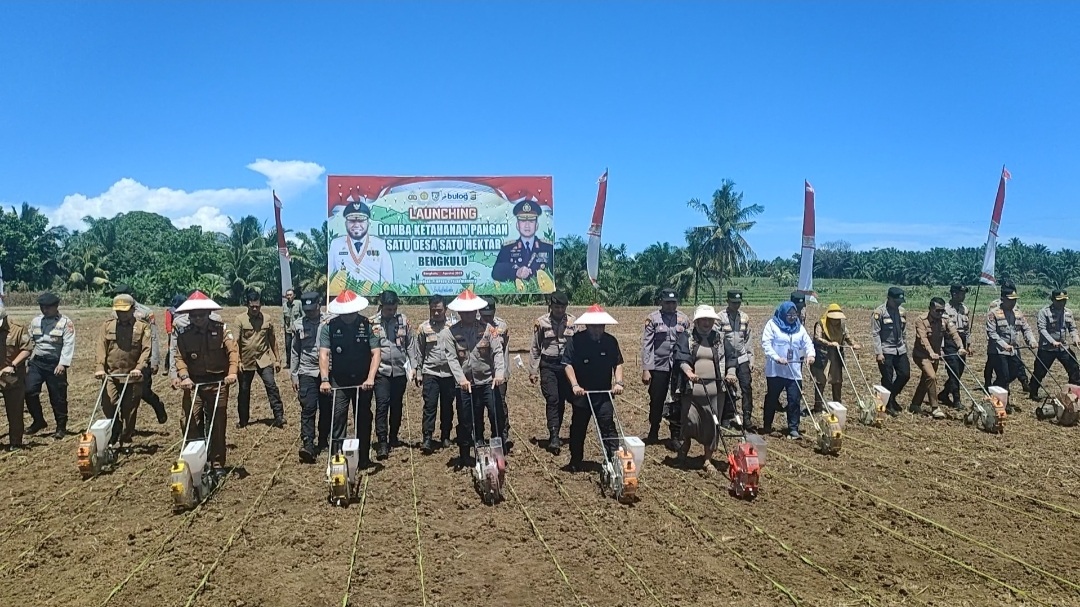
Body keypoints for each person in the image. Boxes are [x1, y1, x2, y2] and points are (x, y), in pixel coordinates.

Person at [172, 291, 239, 478]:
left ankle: (217, 463)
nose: (198, 319)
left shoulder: (221, 330)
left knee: (217, 423)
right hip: (194, 384)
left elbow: (233, 352)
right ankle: (196, 459)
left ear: (209, 314)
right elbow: (179, 357)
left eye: (201, 315)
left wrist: (232, 373)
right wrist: (184, 376)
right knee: (189, 421)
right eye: (194, 316)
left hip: (218, 382)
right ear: (189, 317)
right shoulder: (184, 335)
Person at [442, 289, 505, 470]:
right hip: (465, 385)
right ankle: (465, 455)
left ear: (476, 311)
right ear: (459, 313)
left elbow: (497, 353)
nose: (468, 314)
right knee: (466, 420)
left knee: (495, 414)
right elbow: (452, 359)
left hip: (487, 381)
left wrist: (499, 374)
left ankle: (498, 452)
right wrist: (461, 379)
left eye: (471, 311)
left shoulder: (488, 330)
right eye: (464, 311)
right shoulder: (450, 333)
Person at [319, 290, 381, 466]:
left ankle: (363, 458)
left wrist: (370, 378)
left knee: (363, 418)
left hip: (363, 381)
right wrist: (324, 379)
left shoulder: (368, 326)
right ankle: (336, 458)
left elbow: (376, 353)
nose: (347, 317)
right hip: (339, 379)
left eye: (350, 313)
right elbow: (323, 354)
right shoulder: (329, 327)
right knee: (338, 418)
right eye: (344, 314)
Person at [672, 305, 738, 472]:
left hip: (715, 392)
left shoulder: (720, 339)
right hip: (692, 391)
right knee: (688, 422)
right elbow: (681, 357)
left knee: (712, 426)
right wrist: (688, 372)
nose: (706, 323)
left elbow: (731, 358)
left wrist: (730, 373)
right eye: (703, 320)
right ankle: (683, 453)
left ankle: (707, 460)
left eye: (709, 320)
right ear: (697, 321)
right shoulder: (687, 337)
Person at [562, 304, 625, 473]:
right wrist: (575, 385)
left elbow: (618, 363)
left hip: (603, 393)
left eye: (601, 326)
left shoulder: (610, 342)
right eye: (594, 326)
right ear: (587, 326)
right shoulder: (576, 341)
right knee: (578, 427)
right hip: (583, 394)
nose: (598, 329)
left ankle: (614, 459)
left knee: (608, 426)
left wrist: (619, 383)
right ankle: (576, 460)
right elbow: (567, 364)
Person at [94, 294, 152, 448]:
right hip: (111, 374)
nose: (121, 314)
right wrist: (100, 367)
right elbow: (101, 348)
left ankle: (126, 437)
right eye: (118, 311)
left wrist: (139, 368)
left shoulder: (142, 327)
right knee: (108, 404)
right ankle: (115, 427)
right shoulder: (107, 326)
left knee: (129, 409)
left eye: (125, 311)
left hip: (132, 375)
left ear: (133, 309)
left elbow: (146, 350)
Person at [641, 288, 690, 449]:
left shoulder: (683, 319)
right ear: (661, 302)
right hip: (658, 366)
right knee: (657, 399)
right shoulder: (653, 319)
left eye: (673, 303)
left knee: (677, 400)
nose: (670, 306)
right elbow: (647, 345)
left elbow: (688, 344)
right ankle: (654, 429)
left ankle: (675, 435)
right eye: (667, 303)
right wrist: (646, 369)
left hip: (678, 366)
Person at [408, 295, 457, 454]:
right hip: (430, 373)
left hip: (449, 374)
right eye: (433, 310)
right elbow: (419, 351)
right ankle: (427, 437)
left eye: (439, 310)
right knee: (429, 406)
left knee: (447, 406)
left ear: (446, 309)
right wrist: (419, 371)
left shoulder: (453, 326)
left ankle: (445, 436)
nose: (436, 313)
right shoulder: (424, 328)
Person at [529, 290, 577, 454]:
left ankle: (563, 432)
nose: (560, 310)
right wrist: (533, 370)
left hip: (566, 365)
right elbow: (535, 347)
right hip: (548, 364)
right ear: (551, 306)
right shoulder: (541, 323)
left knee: (564, 399)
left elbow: (578, 345)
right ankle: (554, 436)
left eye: (562, 307)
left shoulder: (573, 321)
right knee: (553, 399)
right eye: (556, 307)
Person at [112, 284, 168, 424]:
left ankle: (156, 404)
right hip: (124, 359)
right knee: (122, 393)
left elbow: (153, 336)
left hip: (143, 358)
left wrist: (154, 360)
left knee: (143, 392)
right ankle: (124, 426)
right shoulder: (114, 313)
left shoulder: (145, 312)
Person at [25, 292, 75, 439]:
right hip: (38, 362)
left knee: (57, 396)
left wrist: (63, 364)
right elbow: (29, 341)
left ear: (56, 307)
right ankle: (38, 421)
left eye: (47, 307)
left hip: (55, 363)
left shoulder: (65, 323)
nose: (44, 310)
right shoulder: (36, 321)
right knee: (29, 390)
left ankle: (61, 427)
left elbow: (68, 345)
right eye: (42, 307)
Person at [761, 302, 815, 439]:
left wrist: (811, 355)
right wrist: (776, 357)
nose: (792, 317)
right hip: (776, 371)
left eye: (794, 314)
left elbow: (807, 343)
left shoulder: (799, 328)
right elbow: (766, 344)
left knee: (794, 399)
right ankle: (767, 425)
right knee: (772, 398)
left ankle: (793, 428)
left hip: (793, 371)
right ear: (782, 314)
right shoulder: (772, 325)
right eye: (789, 315)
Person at [235, 290, 285, 428]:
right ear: (247, 305)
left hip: (264, 359)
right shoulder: (240, 320)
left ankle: (279, 416)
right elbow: (236, 343)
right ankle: (243, 420)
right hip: (246, 361)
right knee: (244, 390)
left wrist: (277, 359)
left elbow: (272, 340)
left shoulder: (267, 319)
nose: (255, 309)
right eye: (252, 307)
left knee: (271, 386)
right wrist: (237, 361)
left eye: (257, 306)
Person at [291, 291, 331, 463]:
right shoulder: (298, 324)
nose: (310, 313)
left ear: (319, 305)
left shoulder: (329, 321)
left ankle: (324, 440)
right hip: (306, 371)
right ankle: (308, 443)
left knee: (327, 408)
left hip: (327, 372)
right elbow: (294, 350)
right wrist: (294, 374)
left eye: (312, 310)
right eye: (306, 310)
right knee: (308, 408)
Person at [371, 290, 411, 460]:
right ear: (381, 306)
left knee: (397, 405)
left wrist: (414, 367)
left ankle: (393, 436)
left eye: (394, 309)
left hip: (400, 371)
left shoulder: (403, 321)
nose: (392, 312)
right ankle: (382, 442)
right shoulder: (372, 323)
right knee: (382, 405)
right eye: (388, 309)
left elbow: (410, 345)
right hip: (382, 371)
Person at [911, 298, 966, 419]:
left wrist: (961, 347)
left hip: (935, 355)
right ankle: (935, 407)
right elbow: (923, 339)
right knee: (931, 377)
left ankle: (915, 404)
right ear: (930, 308)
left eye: (942, 311)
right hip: (922, 355)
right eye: (937, 311)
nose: (940, 313)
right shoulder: (921, 320)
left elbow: (954, 333)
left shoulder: (944, 320)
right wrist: (930, 352)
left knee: (926, 380)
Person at [986, 285, 1036, 412]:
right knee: (1004, 375)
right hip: (998, 351)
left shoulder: (1018, 313)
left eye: (1014, 299)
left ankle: (994, 388)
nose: (1013, 302)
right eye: (1010, 299)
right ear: (1003, 299)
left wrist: (1031, 340)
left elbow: (1026, 328)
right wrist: (1004, 345)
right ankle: (1004, 402)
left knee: (1014, 373)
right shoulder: (994, 313)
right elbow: (992, 333)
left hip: (1013, 350)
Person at [327, 198, 394, 288]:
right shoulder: (336, 244)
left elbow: (388, 280)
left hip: (372, 298)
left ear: (368, 223)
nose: (357, 225)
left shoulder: (380, 245)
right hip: (345, 298)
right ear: (346, 223)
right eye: (352, 220)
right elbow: (330, 276)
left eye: (361, 220)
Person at [1030, 289, 1080, 399]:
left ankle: (1073, 393)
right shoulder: (1044, 312)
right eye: (1059, 300)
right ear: (1053, 300)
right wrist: (1052, 341)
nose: (1062, 303)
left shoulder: (1068, 312)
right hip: (1047, 348)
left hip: (1063, 347)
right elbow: (1042, 329)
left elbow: (1072, 328)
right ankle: (1033, 392)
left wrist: (1075, 337)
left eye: (1064, 300)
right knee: (1039, 371)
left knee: (1074, 369)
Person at [811, 303, 859, 412]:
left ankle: (837, 404)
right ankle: (818, 406)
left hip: (836, 355)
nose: (836, 321)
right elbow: (817, 338)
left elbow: (847, 336)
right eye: (834, 319)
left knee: (837, 380)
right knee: (821, 380)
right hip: (823, 355)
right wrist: (829, 343)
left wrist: (853, 344)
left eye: (837, 319)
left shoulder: (842, 325)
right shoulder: (821, 324)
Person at [491, 200, 554, 282]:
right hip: (517, 294)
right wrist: (515, 272)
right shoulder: (507, 248)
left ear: (537, 225)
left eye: (531, 221)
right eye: (523, 220)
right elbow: (496, 272)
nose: (527, 225)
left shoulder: (548, 247)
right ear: (517, 225)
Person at [479, 296, 512, 451]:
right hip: (481, 375)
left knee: (500, 406)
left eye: (490, 316)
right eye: (485, 316)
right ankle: (478, 437)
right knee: (480, 406)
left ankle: (501, 436)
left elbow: (504, 350)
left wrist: (504, 372)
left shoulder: (502, 326)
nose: (488, 319)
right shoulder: (475, 326)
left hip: (498, 375)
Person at [871, 287, 910, 416]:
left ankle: (891, 397)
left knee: (905, 374)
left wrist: (905, 346)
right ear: (889, 299)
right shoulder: (879, 312)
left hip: (900, 349)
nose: (899, 304)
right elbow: (875, 334)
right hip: (886, 350)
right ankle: (888, 405)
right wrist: (879, 353)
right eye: (896, 302)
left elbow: (903, 331)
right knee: (887, 378)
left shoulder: (902, 312)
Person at [0, 304, 33, 451]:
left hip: (11, 376)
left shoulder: (17, 329)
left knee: (14, 410)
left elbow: (27, 349)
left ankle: (16, 442)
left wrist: (13, 365)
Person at [719, 290, 754, 429]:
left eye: (738, 303)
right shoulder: (720, 318)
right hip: (726, 358)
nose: (736, 305)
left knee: (746, 387)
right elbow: (719, 340)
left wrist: (750, 359)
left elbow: (748, 339)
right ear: (728, 301)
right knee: (727, 387)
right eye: (733, 303)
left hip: (742, 357)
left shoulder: (744, 317)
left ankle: (747, 418)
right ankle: (726, 417)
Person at [939, 285, 971, 409]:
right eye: (961, 293)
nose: (963, 296)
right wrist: (941, 348)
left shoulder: (965, 309)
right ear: (954, 294)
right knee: (954, 371)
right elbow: (941, 330)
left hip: (961, 342)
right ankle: (957, 399)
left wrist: (968, 344)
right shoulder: (945, 309)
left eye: (964, 294)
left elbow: (967, 329)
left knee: (959, 371)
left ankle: (944, 393)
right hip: (949, 341)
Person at [282, 289, 303, 369]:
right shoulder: (284, 305)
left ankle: (299, 362)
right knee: (288, 346)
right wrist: (282, 327)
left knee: (298, 346)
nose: (289, 297)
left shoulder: (299, 303)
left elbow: (303, 315)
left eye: (290, 295)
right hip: (288, 330)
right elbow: (283, 318)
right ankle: (288, 363)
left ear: (294, 295)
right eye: (287, 295)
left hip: (297, 330)